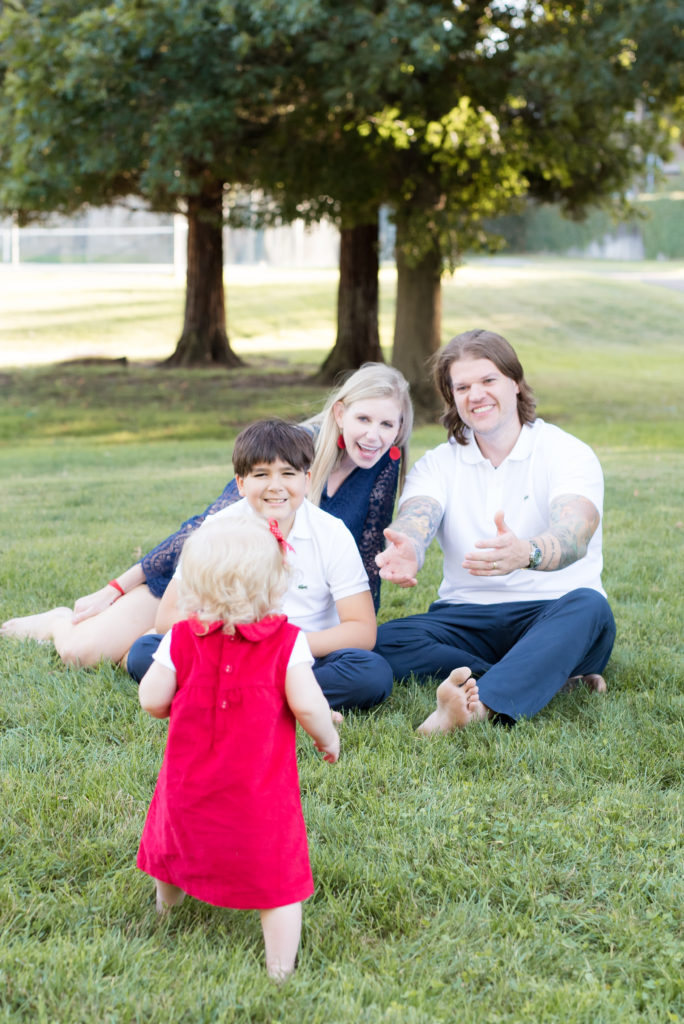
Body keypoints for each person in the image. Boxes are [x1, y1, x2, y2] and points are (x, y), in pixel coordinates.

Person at [1, 363, 412, 665]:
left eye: (386, 424)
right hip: (207, 578)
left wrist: (359, 630)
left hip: (271, 605)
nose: (373, 434)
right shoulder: (294, 448)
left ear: (398, 429)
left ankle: (155, 647)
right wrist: (116, 587)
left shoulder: (382, 457)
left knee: (141, 651)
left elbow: (369, 544)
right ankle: (58, 623)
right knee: (81, 652)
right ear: (340, 413)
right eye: (363, 419)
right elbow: (206, 525)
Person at [374, 328, 616, 733]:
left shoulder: (565, 451)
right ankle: (549, 674)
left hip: (554, 610)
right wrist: (408, 548)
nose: (476, 394)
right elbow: (418, 516)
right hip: (466, 619)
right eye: (462, 386)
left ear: (515, 383)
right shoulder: (438, 464)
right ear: (452, 397)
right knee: (380, 642)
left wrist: (527, 553)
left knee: (590, 608)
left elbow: (575, 534)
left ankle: (479, 707)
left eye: (488, 380)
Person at [137, 515, 340, 981]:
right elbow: (310, 706)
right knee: (276, 880)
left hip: (188, 785)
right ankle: (279, 969)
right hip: (259, 795)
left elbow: (151, 698)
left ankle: (166, 913)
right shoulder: (288, 645)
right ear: (275, 585)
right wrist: (328, 737)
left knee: (174, 846)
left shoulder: (180, 637)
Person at [128, 418, 394, 711]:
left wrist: (278, 645)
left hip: (304, 652)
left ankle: (234, 695)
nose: (275, 486)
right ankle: (284, 699)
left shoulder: (331, 533)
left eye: (288, 473)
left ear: (306, 480)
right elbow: (167, 616)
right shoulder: (218, 528)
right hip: (225, 648)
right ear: (241, 483)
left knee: (371, 673)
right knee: (145, 652)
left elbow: (362, 631)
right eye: (261, 474)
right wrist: (239, 641)